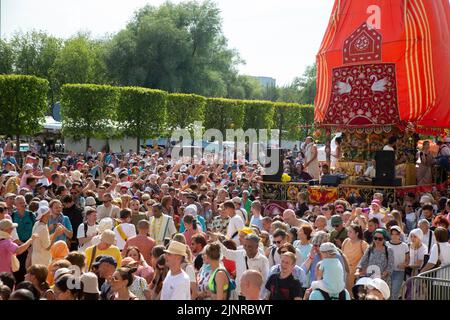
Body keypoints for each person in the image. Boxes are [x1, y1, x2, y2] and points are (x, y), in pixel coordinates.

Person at [216, 233, 269, 300]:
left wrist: (260, 297)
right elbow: (226, 252)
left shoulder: (263, 260)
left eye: (250, 246)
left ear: (257, 246)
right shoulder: (239, 254)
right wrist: (216, 240)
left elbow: (265, 280)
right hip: (238, 293)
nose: (247, 248)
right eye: (245, 246)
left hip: (253, 297)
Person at [11, 195, 36, 282]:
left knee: (28, 268)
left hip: (30, 245)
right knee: (17, 267)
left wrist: (31, 245)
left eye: (24, 202)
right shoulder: (13, 216)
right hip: (17, 245)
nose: (23, 204)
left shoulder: (31, 214)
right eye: (20, 203)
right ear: (15, 205)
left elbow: (35, 229)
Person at [341, 224, 369, 296]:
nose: (348, 233)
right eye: (348, 231)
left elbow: (367, 257)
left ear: (357, 233)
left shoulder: (363, 244)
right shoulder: (346, 241)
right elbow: (342, 255)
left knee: (354, 294)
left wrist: (361, 270)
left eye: (350, 232)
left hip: (356, 274)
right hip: (344, 272)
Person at [386, 225, 409, 300]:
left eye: (396, 234)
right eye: (392, 234)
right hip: (387, 272)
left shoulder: (404, 246)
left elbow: (408, 259)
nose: (394, 236)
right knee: (387, 293)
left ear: (399, 235)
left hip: (399, 272)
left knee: (394, 292)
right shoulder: (386, 244)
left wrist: (404, 264)